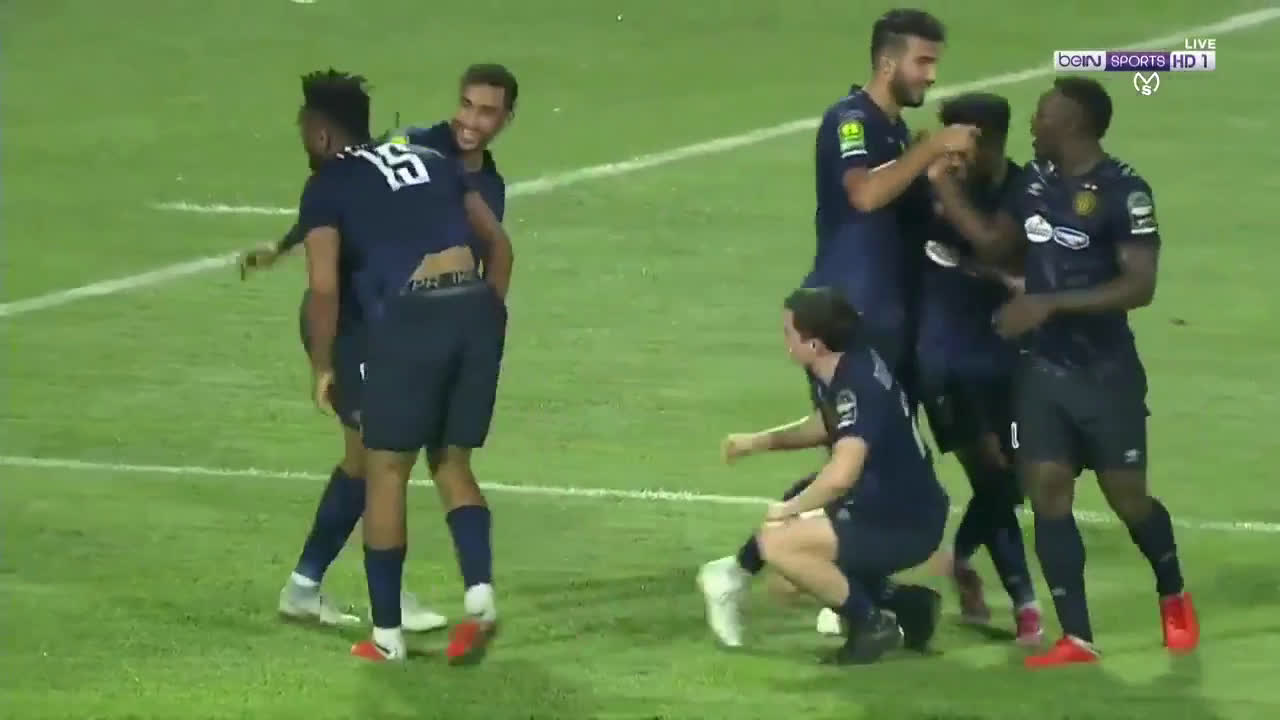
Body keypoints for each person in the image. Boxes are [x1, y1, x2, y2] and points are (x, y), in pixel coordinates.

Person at [930, 77, 1198, 668]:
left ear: (1073, 123)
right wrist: (942, 183)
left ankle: (1172, 591)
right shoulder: (1034, 182)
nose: (1033, 124)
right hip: (1041, 371)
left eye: (1043, 115)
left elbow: (1140, 285)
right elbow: (994, 243)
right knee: (1048, 490)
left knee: (1128, 498)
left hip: (1105, 372)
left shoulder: (1125, 192)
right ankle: (1077, 636)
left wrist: (1048, 304)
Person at [240, 64, 518, 634]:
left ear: (506, 120)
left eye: (486, 111)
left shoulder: (483, 183)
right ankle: (376, 600)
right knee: (380, 460)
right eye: (466, 105)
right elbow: (337, 204)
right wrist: (284, 246)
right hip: (357, 322)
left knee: (371, 461)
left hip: (407, 325)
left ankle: (307, 586)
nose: (470, 120)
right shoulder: (418, 148)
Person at [697, 287, 948, 665]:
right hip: (894, 503)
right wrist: (759, 442)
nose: (784, 339)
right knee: (797, 515)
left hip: (902, 522)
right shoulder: (840, 364)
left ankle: (872, 625)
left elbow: (841, 474)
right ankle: (908, 606)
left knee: (780, 547)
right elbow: (828, 424)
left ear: (814, 344)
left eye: (789, 331)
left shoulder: (857, 385)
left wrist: (789, 511)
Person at [916, 93, 1042, 645]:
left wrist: (980, 269)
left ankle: (961, 556)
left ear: (989, 141)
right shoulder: (929, 185)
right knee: (990, 474)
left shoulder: (1025, 190)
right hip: (945, 359)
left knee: (1016, 478)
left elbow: (1002, 251)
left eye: (962, 143)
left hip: (1007, 358)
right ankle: (1026, 605)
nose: (953, 156)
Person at [806, 8, 976, 384]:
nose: (932, 76)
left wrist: (938, 174)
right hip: (852, 312)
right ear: (887, 64)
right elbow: (864, 195)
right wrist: (930, 149)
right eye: (923, 62)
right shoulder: (850, 120)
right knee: (860, 420)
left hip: (888, 310)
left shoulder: (896, 131)